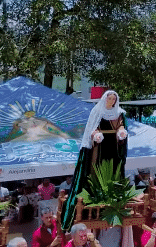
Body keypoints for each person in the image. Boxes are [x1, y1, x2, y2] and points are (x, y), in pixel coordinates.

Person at [60, 90, 128, 232]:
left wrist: (121, 132)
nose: (111, 101)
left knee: (114, 168)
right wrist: (96, 134)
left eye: (114, 99)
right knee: (98, 168)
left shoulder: (119, 112)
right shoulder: (98, 111)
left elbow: (121, 125)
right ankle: (96, 192)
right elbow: (93, 128)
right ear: (105, 99)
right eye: (109, 98)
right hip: (101, 146)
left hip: (113, 145)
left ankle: (112, 193)